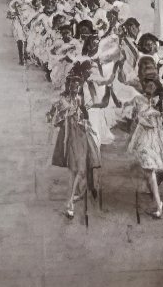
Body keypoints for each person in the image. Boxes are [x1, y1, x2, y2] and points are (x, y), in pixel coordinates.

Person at [47, 66, 106, 219]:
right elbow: (55, 118)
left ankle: (74, 197)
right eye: (73, 83)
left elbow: (90, 110)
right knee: (76, 171)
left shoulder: (80, 99)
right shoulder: (63, 100)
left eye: (78, 84)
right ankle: (70, 202)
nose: (75, 86)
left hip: (82, 136)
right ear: (69, 84)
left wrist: (84, 121)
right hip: (70, 137)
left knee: (80, 170)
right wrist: (64, 114)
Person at [125, 75, 163, 219]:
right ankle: (156, 198)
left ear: (157, 87)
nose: (148, 89)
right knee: (148, 168)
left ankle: (158, 204)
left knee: (152, 168)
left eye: (151, 86)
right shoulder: (141, 99)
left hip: (158, 138)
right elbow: (135, 115)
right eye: (147, 86)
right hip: (144, 137)